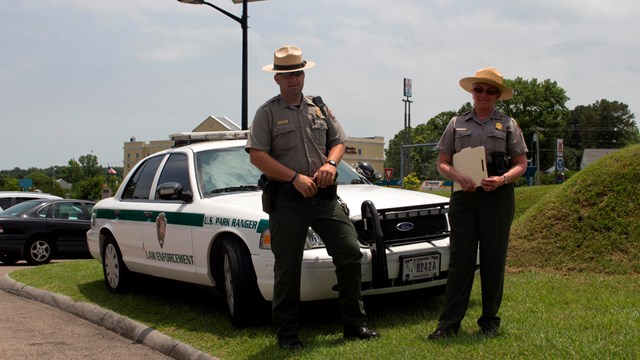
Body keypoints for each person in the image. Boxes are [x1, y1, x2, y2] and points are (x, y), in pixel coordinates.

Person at [246, 45, 379, 350]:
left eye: (298, 73)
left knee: (349, 253)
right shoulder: (267, 113)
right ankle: (288, 335)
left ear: (303, 75)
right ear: (277, 79)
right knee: (288, 268)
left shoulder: (318, 107)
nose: (293, 79)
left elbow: (339, 141)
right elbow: (257, 156)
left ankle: (354, 324)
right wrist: (294, 177)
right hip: (288, 201)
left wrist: (331, 164)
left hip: (323, 199)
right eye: (287, 75)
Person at [427, 67, 528, 339]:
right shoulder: (456, 123)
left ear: (497, 95)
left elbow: (521, 164)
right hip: (464, 197)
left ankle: (490, 321)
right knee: (461, 260)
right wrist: (458, 176)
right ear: (472, 93)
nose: (483, 94)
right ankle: (448, 325)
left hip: (498, 197)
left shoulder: (508, 125)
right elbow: (442, 163)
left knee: (494, 258)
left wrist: (503, 179)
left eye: (490, 90)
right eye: (479, 89)